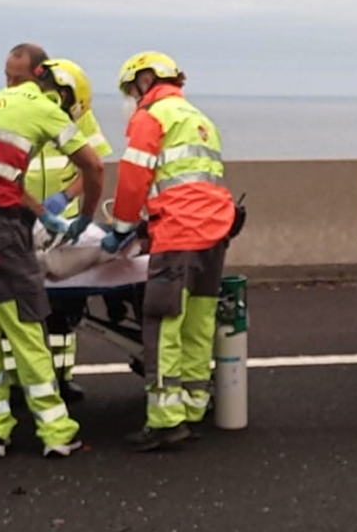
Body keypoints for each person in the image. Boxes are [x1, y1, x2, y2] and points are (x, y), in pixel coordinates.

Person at [0, 59, 103, 458]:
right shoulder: (44, 107)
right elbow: (93, 165)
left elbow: (3, 176)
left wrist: (41, 214)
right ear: (62, 94)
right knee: (25, 327)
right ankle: (56, 432)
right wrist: (85, 217)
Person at [102, 52, 235, 451]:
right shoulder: (199, 119)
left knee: (162, 323)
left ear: (144, 80)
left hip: (178, 232)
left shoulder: (152, 116)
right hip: (214, 231)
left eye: (131, 89)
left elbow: (133, 178)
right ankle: (193, 408)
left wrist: (122, 228)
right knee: (198, 322)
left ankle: (164, 421)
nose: (132, 98)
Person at [24, 58, 113, 402]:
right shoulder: (20, 112)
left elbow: (94, 166)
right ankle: (18, 382)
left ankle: (63, 376)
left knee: (63, 310)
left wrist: (66, 197)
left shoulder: (80, 114)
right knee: (17, 309)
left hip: (65, 225)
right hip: (20, 219)